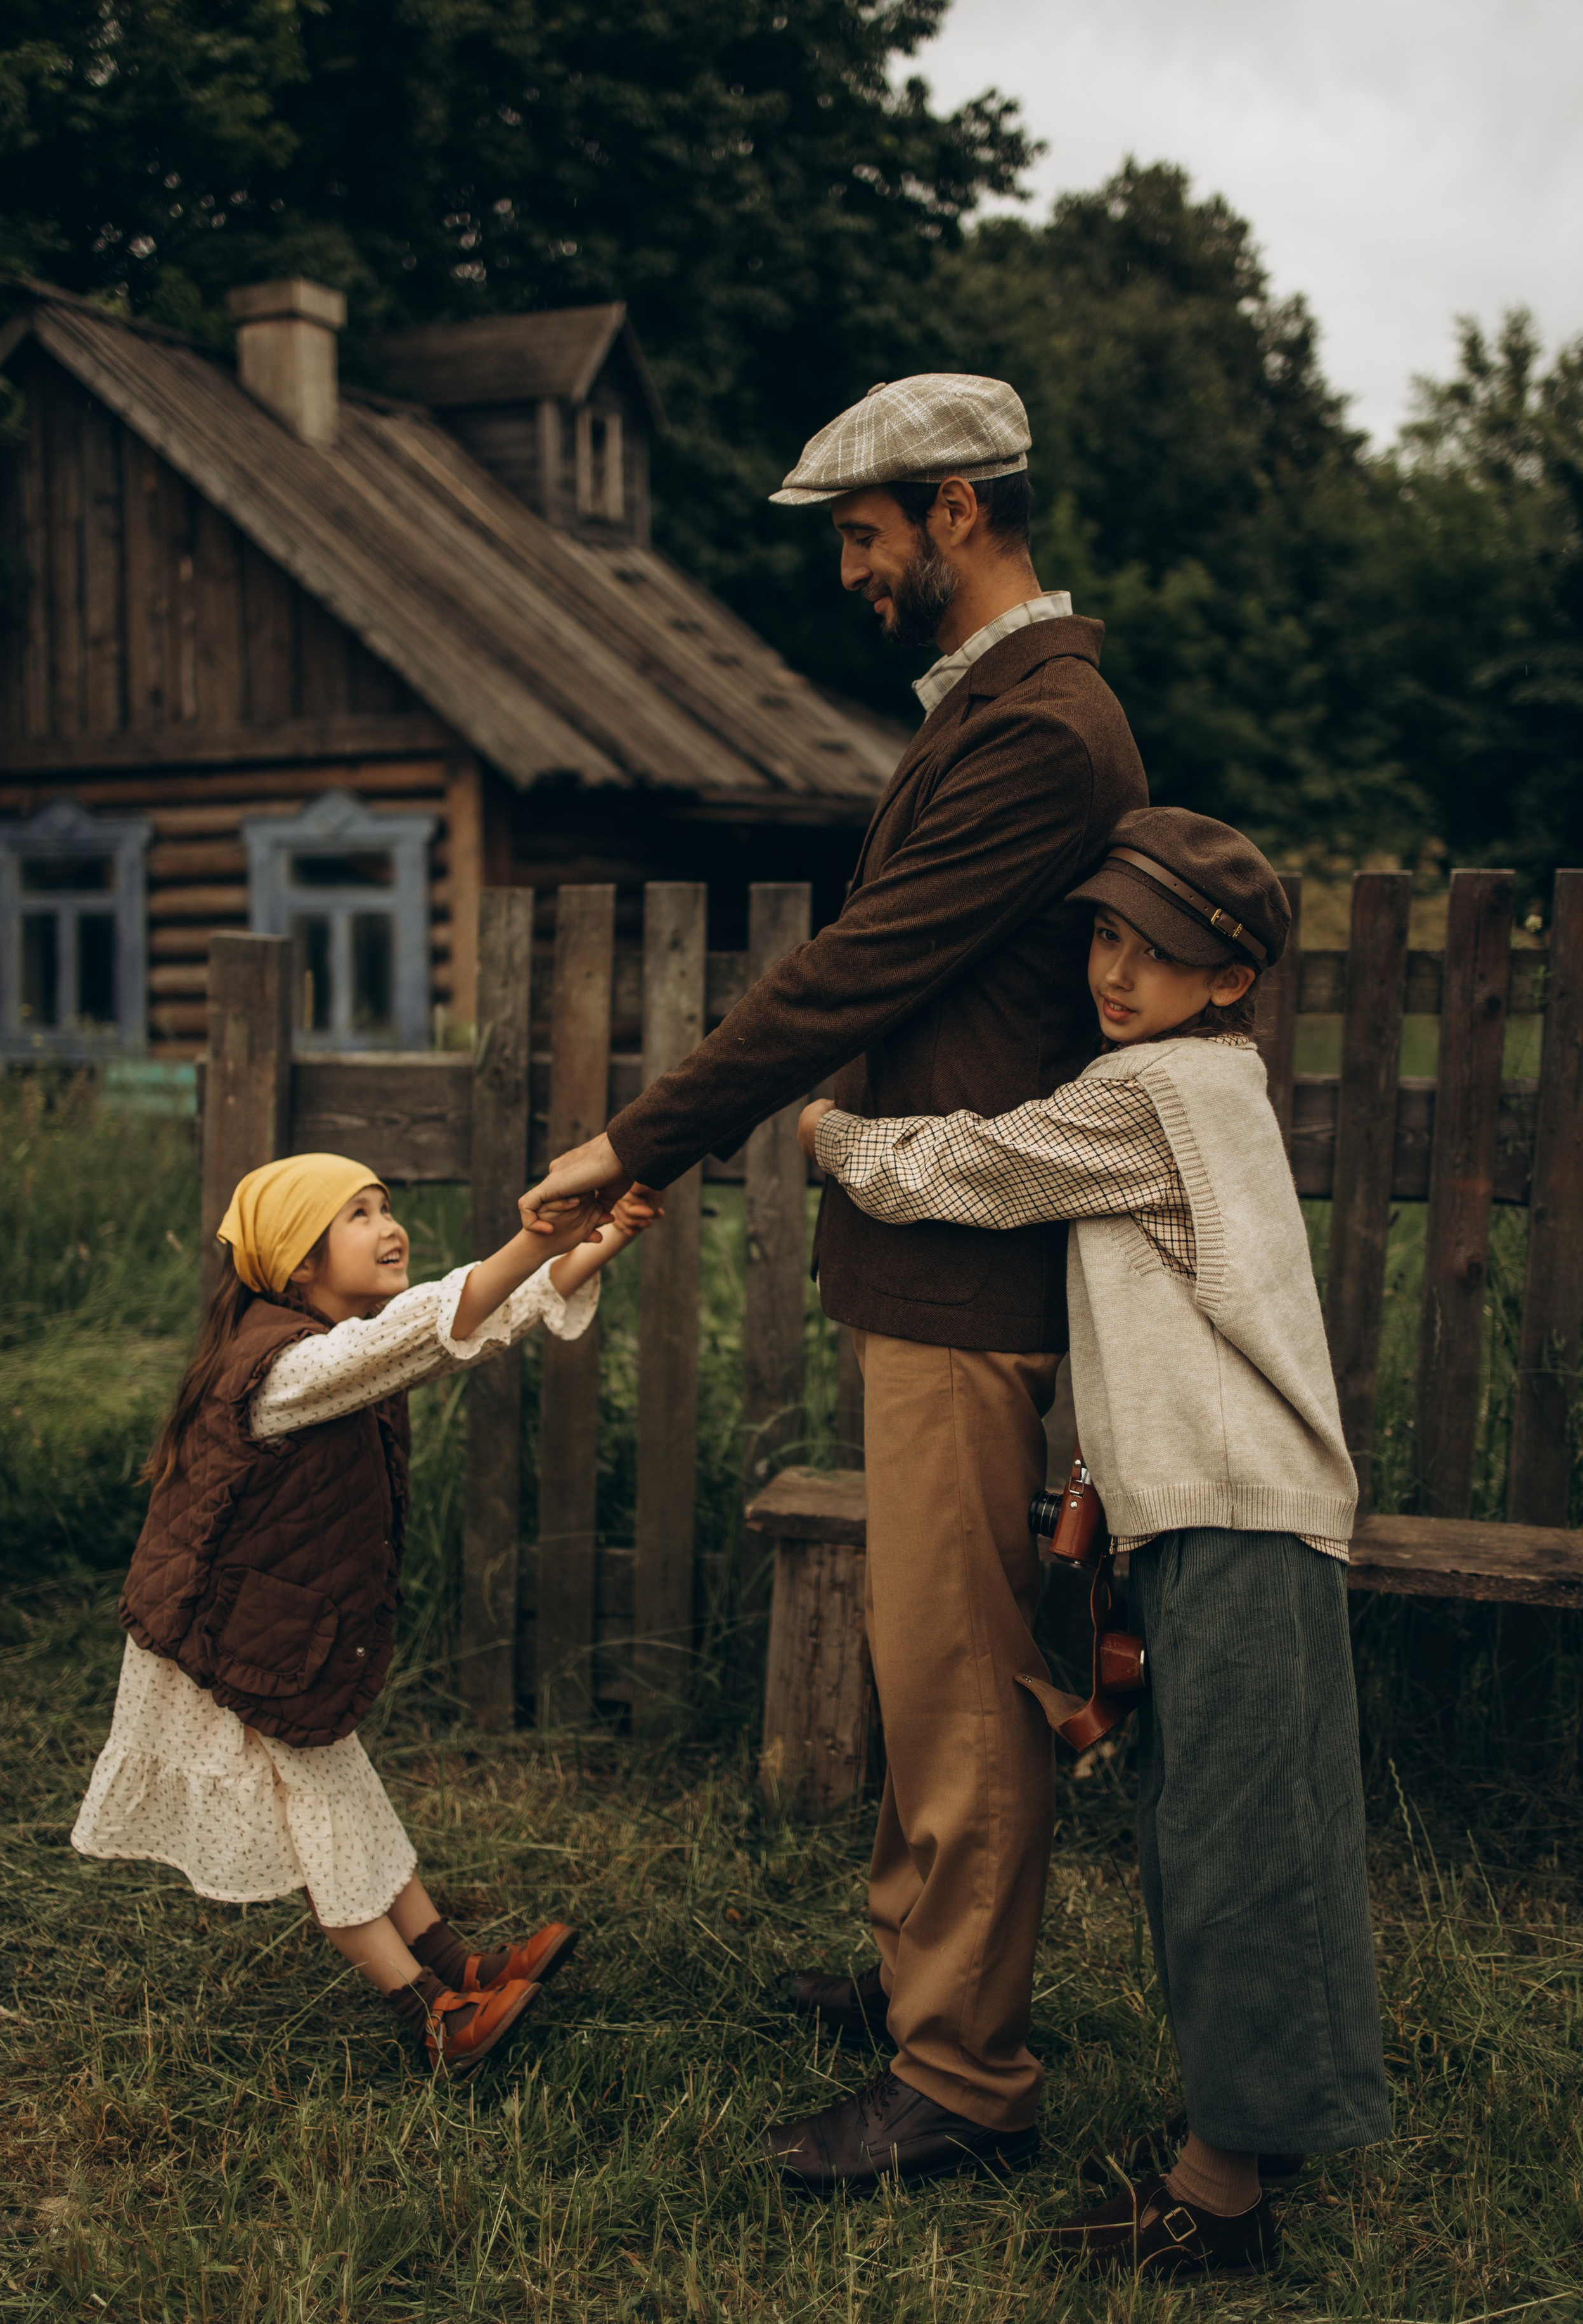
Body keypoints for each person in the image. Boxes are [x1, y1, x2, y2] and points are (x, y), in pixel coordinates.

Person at [519, 373, 1148, 2182]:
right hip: (927, 1266)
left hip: (976, 1282)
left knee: (959, 1673)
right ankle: (914, 1978)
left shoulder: (1046, 730)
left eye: (866, 535)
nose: (850, 570)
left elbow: (855, 970)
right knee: (916, 1648)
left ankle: (962, 2080)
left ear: (960, 510)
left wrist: (639, 1138)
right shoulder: (992, 714)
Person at [800, 806, 1389, 2275]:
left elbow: (963, 1168)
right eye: (1106, 939)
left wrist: (823, 1127)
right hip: (1203, 1507)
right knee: (1211, 1822)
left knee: (1239, 1843)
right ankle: (1231, 2150)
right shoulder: (1177, 1078)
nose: (1116, 973)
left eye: (1161, 952)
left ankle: (1221, 2199)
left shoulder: (1162, 1091)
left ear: (1231, 977)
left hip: (1241, 1509)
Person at [74, 1152, 646, 2081]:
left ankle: (454, 1961)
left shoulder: (328, 1346)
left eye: (387, 1205)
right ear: (299, 1262)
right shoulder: (291, 1366)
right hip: (223, 1637)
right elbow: (437, 1321)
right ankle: (430, 2014)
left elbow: (474, 1324)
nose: (390, 1226)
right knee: (323, 1819)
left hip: (267, 1627)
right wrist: (539, 1238)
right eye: (358, 1214)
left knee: (344, 1794)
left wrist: (599, 1238)